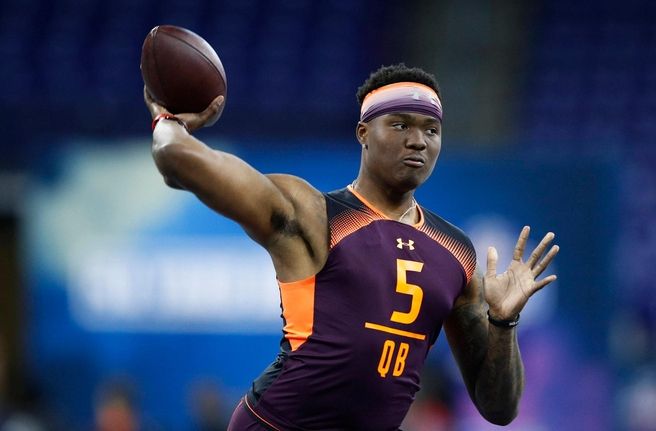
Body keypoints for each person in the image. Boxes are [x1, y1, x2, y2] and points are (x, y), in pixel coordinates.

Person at [144, 64, 559, 431]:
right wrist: (168, 120)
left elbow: (500, 409)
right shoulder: (310, 212)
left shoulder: (455, 250)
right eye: (400, 124)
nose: (418, 140)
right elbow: (176, 159)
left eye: (431, 130)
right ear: (364, 132)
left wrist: (503, 324)